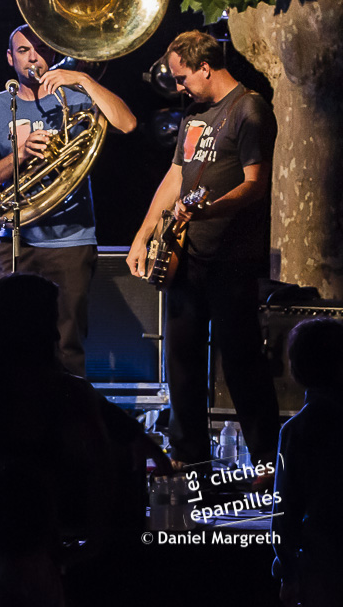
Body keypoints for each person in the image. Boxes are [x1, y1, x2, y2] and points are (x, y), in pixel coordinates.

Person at [126, 30, 280, 474]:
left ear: (205, 67)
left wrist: (211, 209)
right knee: (182, 363)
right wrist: (143, 234)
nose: (179, 87)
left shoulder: (249, 109)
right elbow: (176, 175)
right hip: (187, 256)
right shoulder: (195, 114)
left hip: (232, 259)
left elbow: (255, 184)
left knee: (242, 363)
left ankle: (266, 462)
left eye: (182, 77)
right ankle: (188, 459)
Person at [0, 274, 114, 607]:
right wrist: (94, 540)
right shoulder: (70, 393)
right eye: (50, 322)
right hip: (43, 548)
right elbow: (101, 466)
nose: (56, 334)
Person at [0, 24, 137, 377]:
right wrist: (20, 154)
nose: (34, 58)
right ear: (10, 58)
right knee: (3, 340)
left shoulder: (77, 98)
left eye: (41, 50)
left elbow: (128, 124)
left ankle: (66, 410)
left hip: (71, 240)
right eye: (24, 50)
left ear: (54, 54)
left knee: (66, 343)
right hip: (14, 240)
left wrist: (84, 80)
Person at [272, 318, 343, 607]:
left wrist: (287, 572)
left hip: (322, 566)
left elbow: (284, 511)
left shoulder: (296, 429)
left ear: (297, 369)